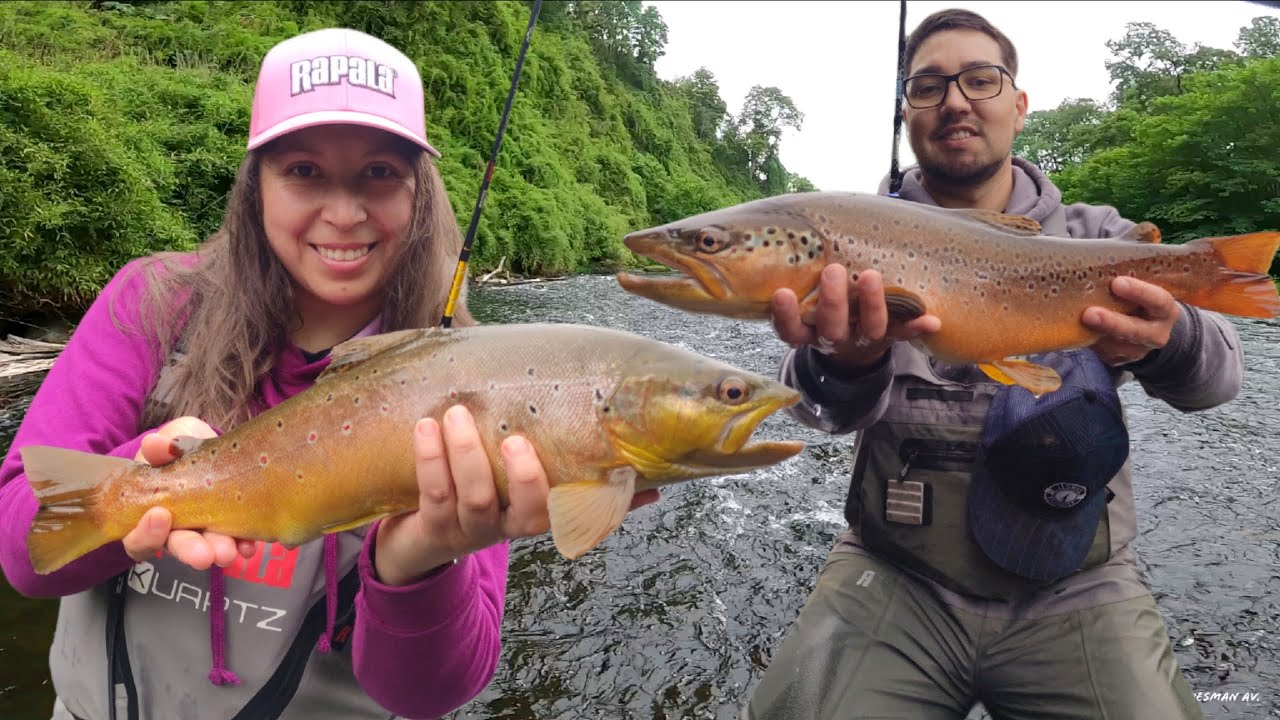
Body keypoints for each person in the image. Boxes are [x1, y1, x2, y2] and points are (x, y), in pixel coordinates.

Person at [0, 27, 657, 720]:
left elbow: (428, 695)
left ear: (418, 195)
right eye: (305, 172)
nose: (344, 215)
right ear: (257, 187)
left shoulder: (479, 375)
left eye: (379, 173)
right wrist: (141, 479)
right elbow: (22, 546)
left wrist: (424, 557)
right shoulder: (154, 304)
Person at [743, 9, 1239, 720]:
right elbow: (811, 410)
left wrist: (1168, 338)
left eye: (980, 79)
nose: (954, 100)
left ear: (1018, 103)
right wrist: (845, 362)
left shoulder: (1100, 239)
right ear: (907, 112)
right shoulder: (853, 238)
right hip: (895, 572)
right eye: (928, 85)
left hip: (1080, 585)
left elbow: (1220, 383)